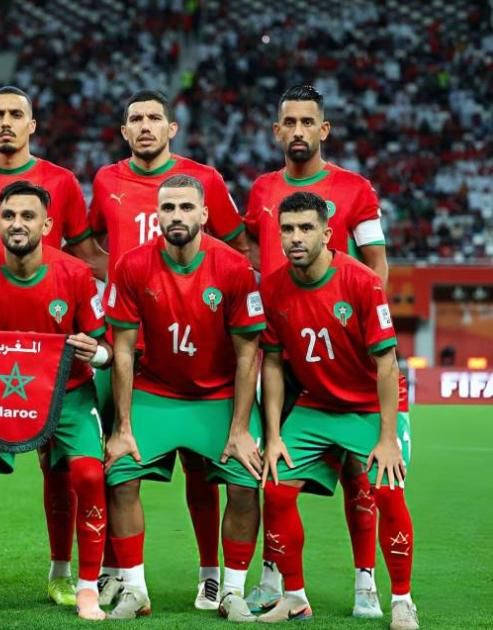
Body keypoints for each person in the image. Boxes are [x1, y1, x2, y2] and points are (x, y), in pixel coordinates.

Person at [0, 85, 107, 606]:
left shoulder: (63, 194)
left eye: (17, 114)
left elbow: (88, 259)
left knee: (74, 473)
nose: (7, 122)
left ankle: (70, 579)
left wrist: (130, 293)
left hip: (60, 378)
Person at [89, 89, 249, 610]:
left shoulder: (207, 184)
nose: (145, 126)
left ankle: (217, 580)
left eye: (154, 118)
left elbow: (240, 246)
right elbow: (87, 242)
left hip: (204, 364)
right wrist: (116, 283)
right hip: (134, 351)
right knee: (106, 462)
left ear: (171, 128)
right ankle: (118, 577)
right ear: (124, 130)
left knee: (211, 475)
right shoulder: (107, 183)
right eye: (135, 118)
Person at [244, 84, 390, 618]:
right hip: (281, 351)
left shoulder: (355, 189)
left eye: (308, 122)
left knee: (358, 473)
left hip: (339, 351)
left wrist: (358, 332)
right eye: (290, 122)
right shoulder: (262, 189)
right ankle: (275, 579)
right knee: (272, 467)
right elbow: (253, 254)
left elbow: (376, 263)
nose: (299, 131)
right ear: (277, 131)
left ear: (323, 129)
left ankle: (365, 580)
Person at [103, 174, 265, 621]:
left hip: (217, 395)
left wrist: (240, 429)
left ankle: (231, 591)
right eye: (168, 207)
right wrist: (123, 427)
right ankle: (135, 590)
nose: (177, 215)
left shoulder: (233, 267)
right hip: (156, 391)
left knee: (244, 483)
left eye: (186, 207)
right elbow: (122, 350)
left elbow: (248, 354)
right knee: (120, 474)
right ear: (157, 214)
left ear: (204, 214)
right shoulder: (132, 265)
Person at [257, 192, 417, 630]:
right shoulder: (272, 287)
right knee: (275, 490)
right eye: (287, 229)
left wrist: (387, 439)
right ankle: (294, 597)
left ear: (327, 234)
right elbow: (272, 363)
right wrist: (273, 436)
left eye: (306, 228)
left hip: (370, 406)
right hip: (316, 406)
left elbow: (387, 364)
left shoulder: (362, 281)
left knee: (387, 490)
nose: (296, 237)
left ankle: (402, 600)